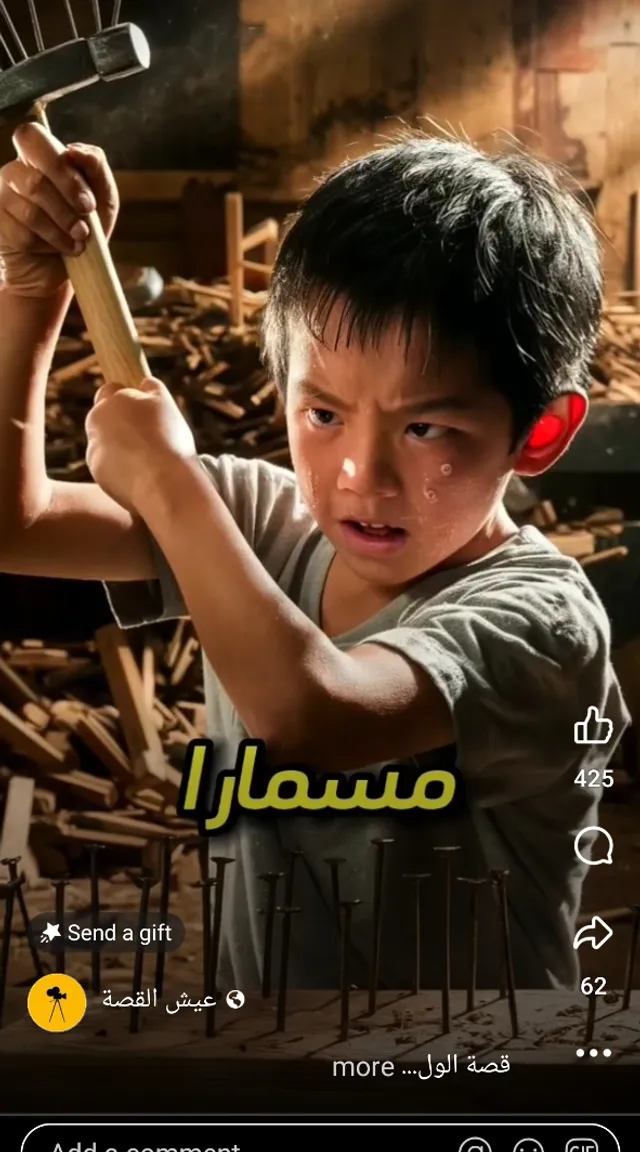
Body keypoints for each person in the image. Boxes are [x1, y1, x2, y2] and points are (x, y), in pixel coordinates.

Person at [0, 123, 629, 995]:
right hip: (269, 1060)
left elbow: (315, 722)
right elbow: (15, 524)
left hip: (467, 1088)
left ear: (541, 431)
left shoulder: (541, 621)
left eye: (425, 428)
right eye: (322, 413)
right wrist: (31, 294)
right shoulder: (264, 520)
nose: (358, 478)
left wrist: (172, 482)